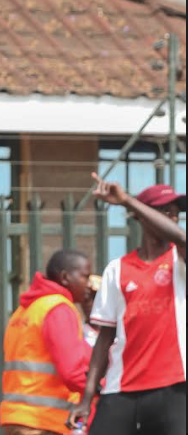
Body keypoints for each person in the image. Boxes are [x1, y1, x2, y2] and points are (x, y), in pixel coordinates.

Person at [67, 177, 186, 435]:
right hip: (121, 389)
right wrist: (86, 400)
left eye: (176, 213)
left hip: (176, 388)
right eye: (165, 211)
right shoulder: (116, 269)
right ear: (142, 216)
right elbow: (104, 339)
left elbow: (181, 238)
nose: (173, 218)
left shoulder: (180, 260)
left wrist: (127, 200)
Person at [0, 249, 93, 435]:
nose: (89, 284)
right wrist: (105, 389)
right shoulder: (58, 308)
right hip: (43, 422)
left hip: (16, 418)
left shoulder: (26, 310)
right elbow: (74, 371)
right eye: (85, 276)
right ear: (65, 277)